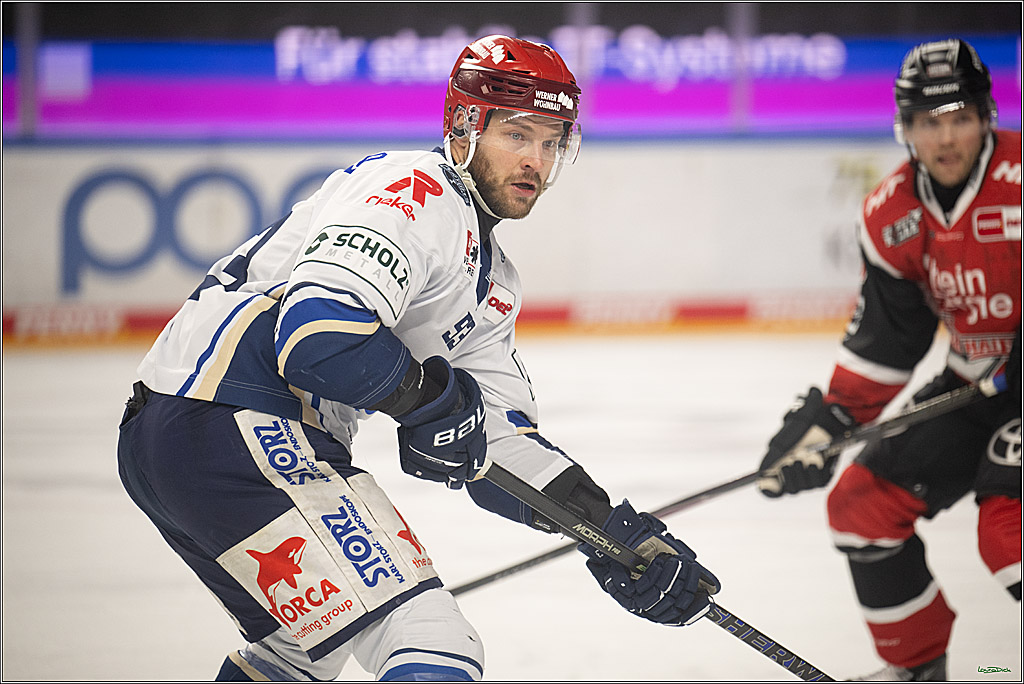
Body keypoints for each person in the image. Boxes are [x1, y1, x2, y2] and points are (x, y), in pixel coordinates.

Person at [117, 34, 720, 682]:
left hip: (180, 434)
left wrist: (612, 534)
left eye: (552, 142)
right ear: (464, 125)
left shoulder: (491, 285)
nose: (536, 162)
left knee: (296, 655)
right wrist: (430, 401)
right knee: (434, 645)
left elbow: (495, 442)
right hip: (232, 417)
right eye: (518, 135)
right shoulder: (416, 188)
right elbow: (319, 334)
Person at [756, 38, 1021, 681]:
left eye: (960, 117)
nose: (947, 137)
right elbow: (890, 339)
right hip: (974, 384)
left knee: (1006, 530)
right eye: (930, 122)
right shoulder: (891, 214)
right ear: (906, 129)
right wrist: (831, 421)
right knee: (861, 507)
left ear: (986, 116)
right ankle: (919, 668)